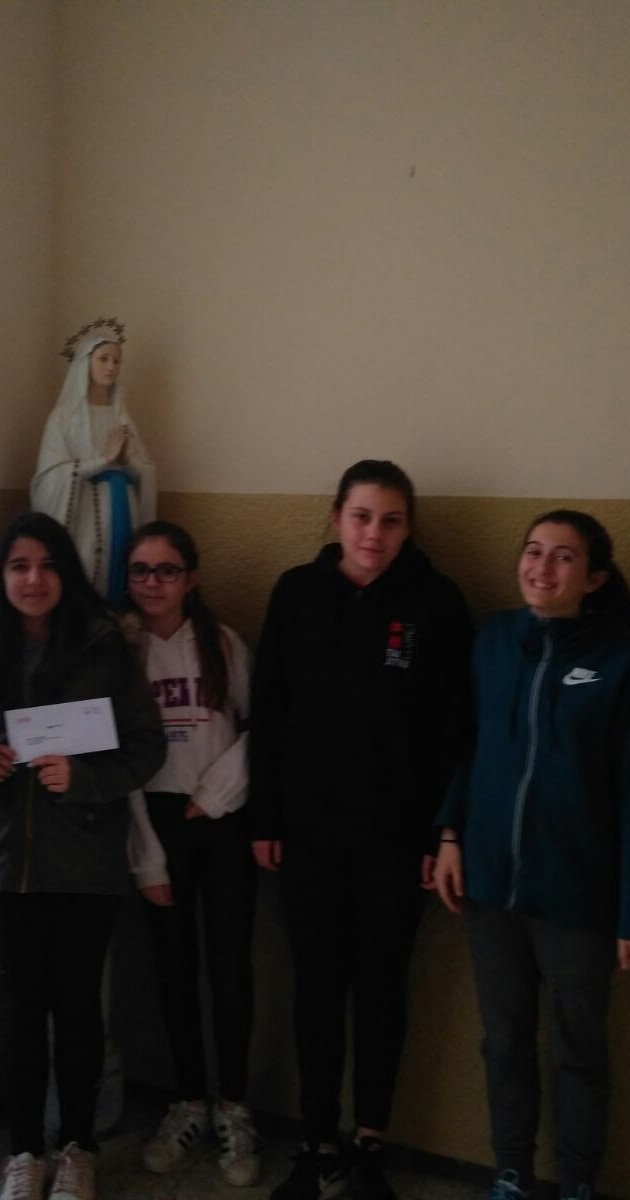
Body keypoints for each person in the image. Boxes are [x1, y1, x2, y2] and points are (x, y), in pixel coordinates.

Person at [249, 460, 473, 1200]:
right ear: (337, 517)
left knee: (381, 990)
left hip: (396, 841)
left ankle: (370, 1142)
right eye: (361, 516)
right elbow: (269, 711)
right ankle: (316, 1142)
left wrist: (439, 835)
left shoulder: (437, 603)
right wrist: (266, 816)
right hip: (306, 834)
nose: (374, 533)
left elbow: (453, 728)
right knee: (315, 988)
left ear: (408, 528)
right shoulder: (297, 593)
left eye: (391, 520)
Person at [432, 510, 630, 1200]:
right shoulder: (494, 639)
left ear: (594, 578)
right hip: (489, 886)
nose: (542, 567)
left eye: (564, 557)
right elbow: (468, 744)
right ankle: (511, 1173)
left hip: (578, 895)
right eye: (533, 551)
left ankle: (577, 1183)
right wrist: (449, 835)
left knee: (577, 1051)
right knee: (503, 1041)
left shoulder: (625, 658)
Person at [0, 512, 167, 1200]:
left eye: (48, 565)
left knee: (79, 1007)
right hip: (1, 859)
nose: (34, 579)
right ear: (1, 576)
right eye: (19, 566)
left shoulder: (102, 643)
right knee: (19, 1010)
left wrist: (84, 777)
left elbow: (146, 746)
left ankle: (79, 1147)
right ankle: (23, 1153)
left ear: (67, 573)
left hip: (85, 857)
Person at [121, 521, 261, 1186]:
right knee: (173, 971)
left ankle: (234, 1106)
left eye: (167, 570)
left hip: (222, 820)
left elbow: (260, 730)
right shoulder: (121, 651)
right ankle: (187, 1102)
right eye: (141, 570)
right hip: (156, 824)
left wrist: (215, 796)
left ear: (191, 578)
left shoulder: (223, 644)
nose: (153, 583)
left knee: (230, 969)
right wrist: (147, 859)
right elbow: (119, 763)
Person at [30, 317, 157, 606]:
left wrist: (127, 462)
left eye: (116, 361)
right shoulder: (63, 418)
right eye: (103, 359)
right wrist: (102, 461)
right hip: (84, 514)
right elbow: (50, 476)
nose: (111, 367)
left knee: (122, 565)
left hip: (123, 507)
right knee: (86, 567)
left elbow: (145, 468)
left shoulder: (121, 416)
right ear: (85, 363)